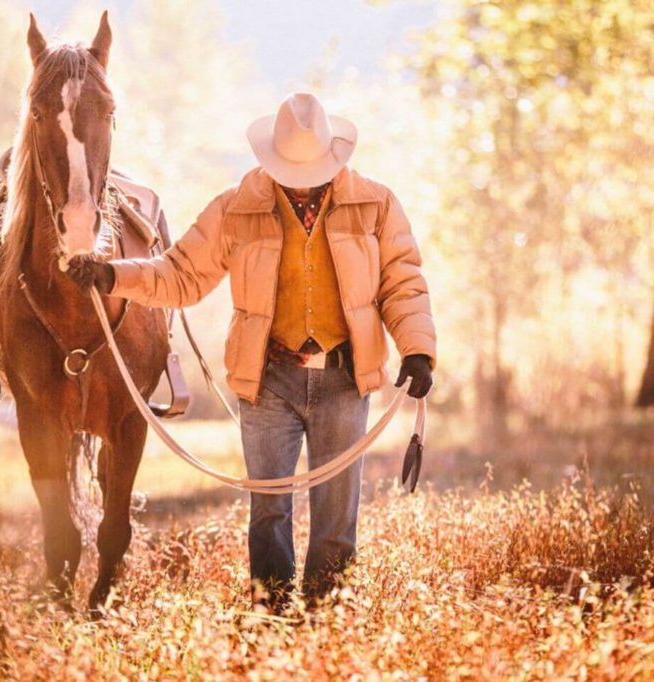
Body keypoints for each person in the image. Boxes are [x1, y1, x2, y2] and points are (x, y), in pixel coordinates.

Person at [68, 93, 436, 610]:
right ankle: (272, 613)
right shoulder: (237, 206)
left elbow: (403, 280)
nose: (301, 179)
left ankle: (326, 617)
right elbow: (181, 274)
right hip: (268, 380)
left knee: (336, 514)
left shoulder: (376, 204)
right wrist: (113, 275)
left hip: (344, 378)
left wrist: (417, 349)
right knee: (268, 511)